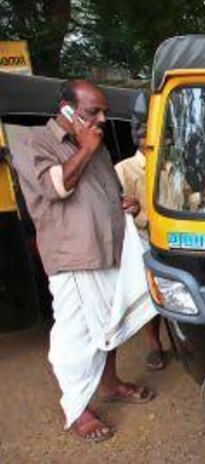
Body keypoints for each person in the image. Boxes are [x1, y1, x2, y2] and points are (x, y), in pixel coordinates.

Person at [16, 79, 157, 443]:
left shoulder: (100, 148)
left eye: (104, 112)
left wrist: (125, 204)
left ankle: (109, 384)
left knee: (110, 324)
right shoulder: (37, 143)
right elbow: (56, 188)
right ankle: (76, 409)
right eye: (92, 111)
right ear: (65, 108)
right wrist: (86, 147)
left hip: (110, 249)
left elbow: (109, 191)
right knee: (74, 338)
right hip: (74, 257)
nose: (101, 119)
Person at [115, 122, 167, 370]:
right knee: (150, 292)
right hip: (142, 240)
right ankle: (154, 344)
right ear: (139, 138)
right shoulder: (124, 170)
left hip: (171, 240)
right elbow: (118, 210)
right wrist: (143, 218)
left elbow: (186, 198)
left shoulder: (169, 166)